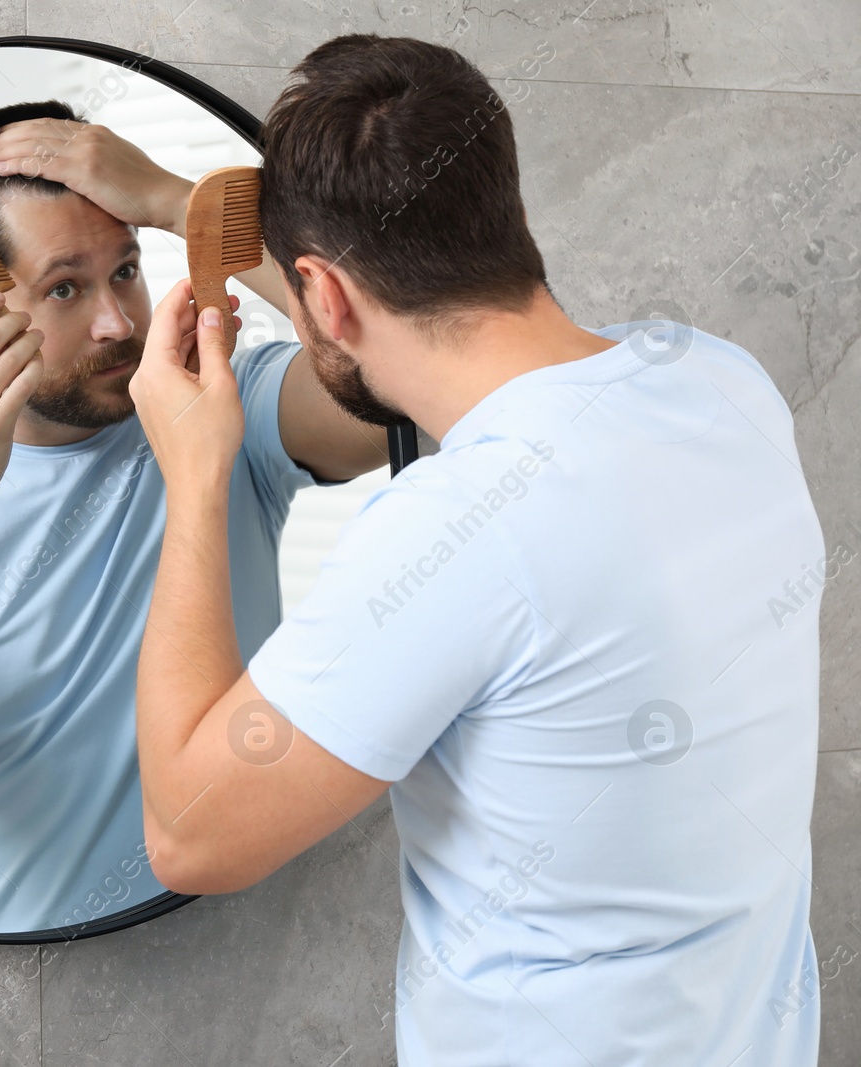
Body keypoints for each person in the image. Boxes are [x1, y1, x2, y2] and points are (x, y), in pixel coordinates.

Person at [128, 34, 823, 1066]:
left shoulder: (461, 531)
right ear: (501, 207)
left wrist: (193, 474)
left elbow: (189, 833)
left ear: (320, 295)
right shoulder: (725, 386)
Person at [0, 99, 391, 934]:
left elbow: (405, 376)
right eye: (65, 287)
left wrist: (177, 202)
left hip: (242, 964)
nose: (117, 322)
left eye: (126, 270)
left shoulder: (223, 407)